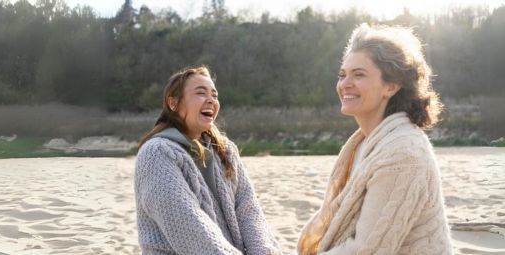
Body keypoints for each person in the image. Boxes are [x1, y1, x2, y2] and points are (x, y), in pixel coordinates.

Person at [297, 23, 453, 254]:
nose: (345, 84)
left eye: (359, 74)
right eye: (342, 75)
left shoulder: (403, 153)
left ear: (391, 86)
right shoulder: (366, 142)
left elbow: (367, 250)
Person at [134, 66, 280, 254]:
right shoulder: (156, 153)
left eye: (214, 95)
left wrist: (264, 252)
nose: (211, 100)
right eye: (201, 93)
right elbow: (190, 227)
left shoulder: (226, 150)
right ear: (173, 103)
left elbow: (248, 209)